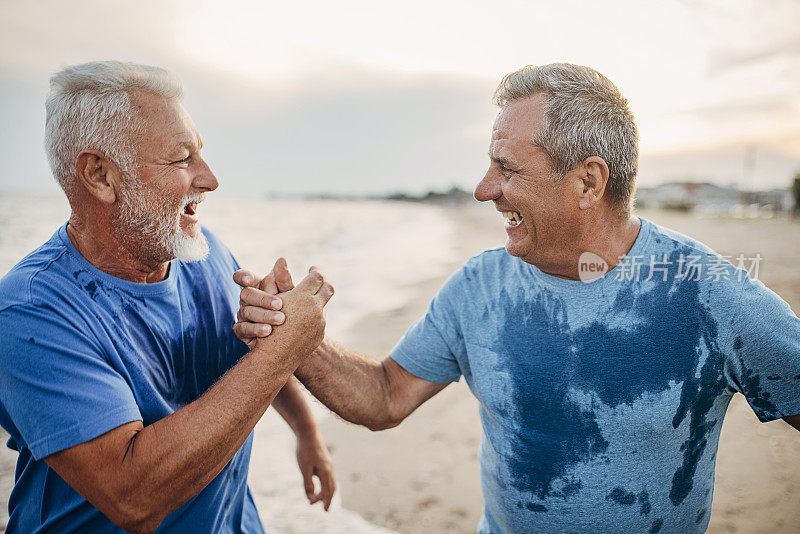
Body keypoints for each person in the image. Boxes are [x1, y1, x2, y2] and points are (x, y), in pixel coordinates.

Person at [234, 63, 800, 533]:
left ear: (587, 182)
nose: (483, 189)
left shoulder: (709, 293)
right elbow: (385, 396)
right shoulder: (479, 287)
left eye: (505, 168)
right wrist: (300, 340)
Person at [0, 61, 335, 533]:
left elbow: (254, 352)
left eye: (200, 154)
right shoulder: (30, 311)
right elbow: (133, 497)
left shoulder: (205, 250)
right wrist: (282, 353)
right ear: (100, 175)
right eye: (182, 159)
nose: (210, 179)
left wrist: (306, 431)